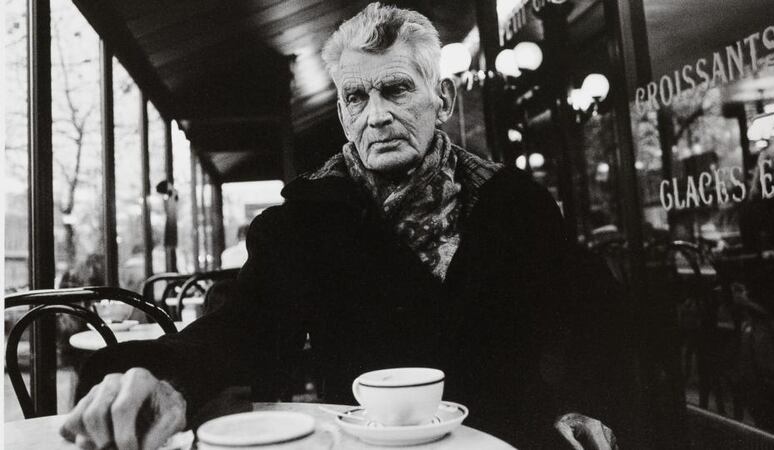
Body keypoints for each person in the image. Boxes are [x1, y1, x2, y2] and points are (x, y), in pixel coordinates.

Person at [61, 4, 629, 449]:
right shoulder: (307, 219)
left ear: (443, 98)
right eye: (356, 97)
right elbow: (247, 325)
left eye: (397, 89)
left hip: (507, 440)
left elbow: (586, 318)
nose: (376, 116)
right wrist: (169, 378)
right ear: (340, 112)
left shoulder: (514, 204)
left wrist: (581, 401)